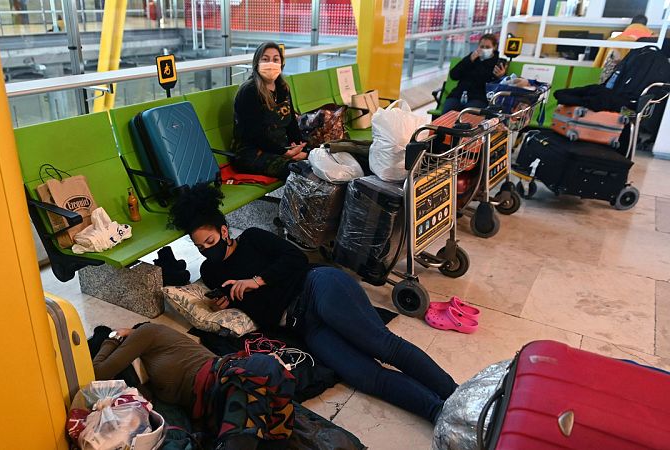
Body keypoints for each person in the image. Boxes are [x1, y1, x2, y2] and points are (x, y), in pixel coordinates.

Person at [168, 184, 458, 424]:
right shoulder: (211, 271)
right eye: (199, 247)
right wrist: (225, 303)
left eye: (209, 241)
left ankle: (456, 393)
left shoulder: (252, 239)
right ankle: (439, 412)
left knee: (383, 345)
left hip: (317, 287)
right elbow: (245, 303)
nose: (206, 250)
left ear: (224, 231)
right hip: (305, 326)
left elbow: (297, 259)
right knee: (366, 377)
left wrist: (256, 280)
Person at [92, 322, 294, 450]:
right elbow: (100, 379)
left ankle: (239, 440)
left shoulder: (147, 332)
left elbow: (100, 371)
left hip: (220, 375)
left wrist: (112, 337)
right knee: (253, 397)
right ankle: (252, 439)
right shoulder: (150, 375)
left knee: (255, 374)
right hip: (212, 403)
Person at [231, 42, 308, 179]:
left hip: (280, 148)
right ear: (257, 63)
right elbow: (254, 134)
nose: (271, 64)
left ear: (281, 64)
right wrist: (284, 153)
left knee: (318, 159)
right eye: (265, 59)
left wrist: (299, 147)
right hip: (252, 153)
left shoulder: (283, 88)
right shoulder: (249, 91)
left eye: (275, 59)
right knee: (300, 171)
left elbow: (291, 124)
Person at [442, 33, 508, 114]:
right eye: (481, 46)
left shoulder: (497, 63)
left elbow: (489, 80)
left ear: (494, 47)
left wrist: (501, 76)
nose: (484, 49)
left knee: (468, 115)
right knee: (447, 113)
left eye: (487, 47)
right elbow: (454, 75)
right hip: (458, 95)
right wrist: (469, 60)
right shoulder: (471, 58)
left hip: (479, 97)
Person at [594, 14, 655, 82]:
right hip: (633, 78)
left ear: (631, 23)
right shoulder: (652, 42)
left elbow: (601, 62)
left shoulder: (612, 40)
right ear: (645, 25)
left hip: (611, 77)